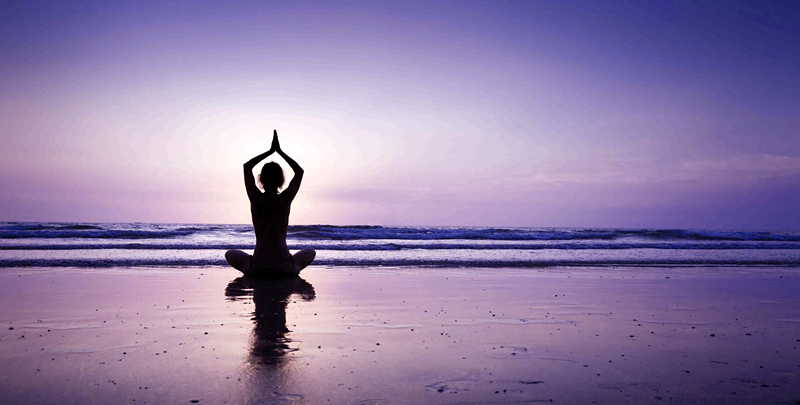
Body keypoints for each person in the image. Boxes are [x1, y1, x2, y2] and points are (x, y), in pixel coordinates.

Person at [225, 130, 316, 276]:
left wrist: (270, 151)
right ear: (281, 181)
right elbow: (299, 171)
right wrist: (279, 151)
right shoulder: (285, 199)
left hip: (257, 267)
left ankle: (251, 266)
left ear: (260, 180)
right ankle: (294, 266)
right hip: (284, 267)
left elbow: (247, 166)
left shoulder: (255, 197)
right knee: (310, 252)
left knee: (230, 253)